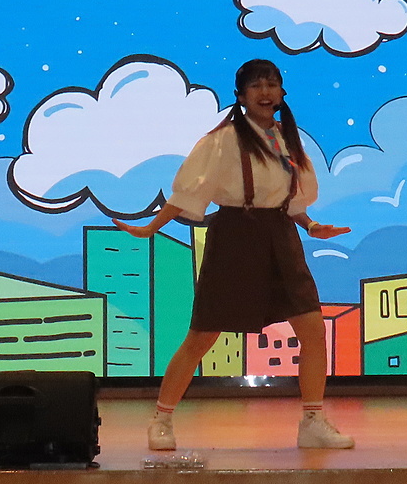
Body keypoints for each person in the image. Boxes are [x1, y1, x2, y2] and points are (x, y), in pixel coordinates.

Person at [118, 58, 355, 450]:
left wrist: (311, 226)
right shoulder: (223, 139)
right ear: (241, 96)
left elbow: (289, 201)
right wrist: (151, 227)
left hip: (281, 237)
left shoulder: (286, 139)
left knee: (313, 330)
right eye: (256, 86)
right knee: (202, 336)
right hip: (235, 236)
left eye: (271, 84)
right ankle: (161, 419)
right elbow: (189, 191)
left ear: (282, 92)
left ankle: (313, 420)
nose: (265, 92)